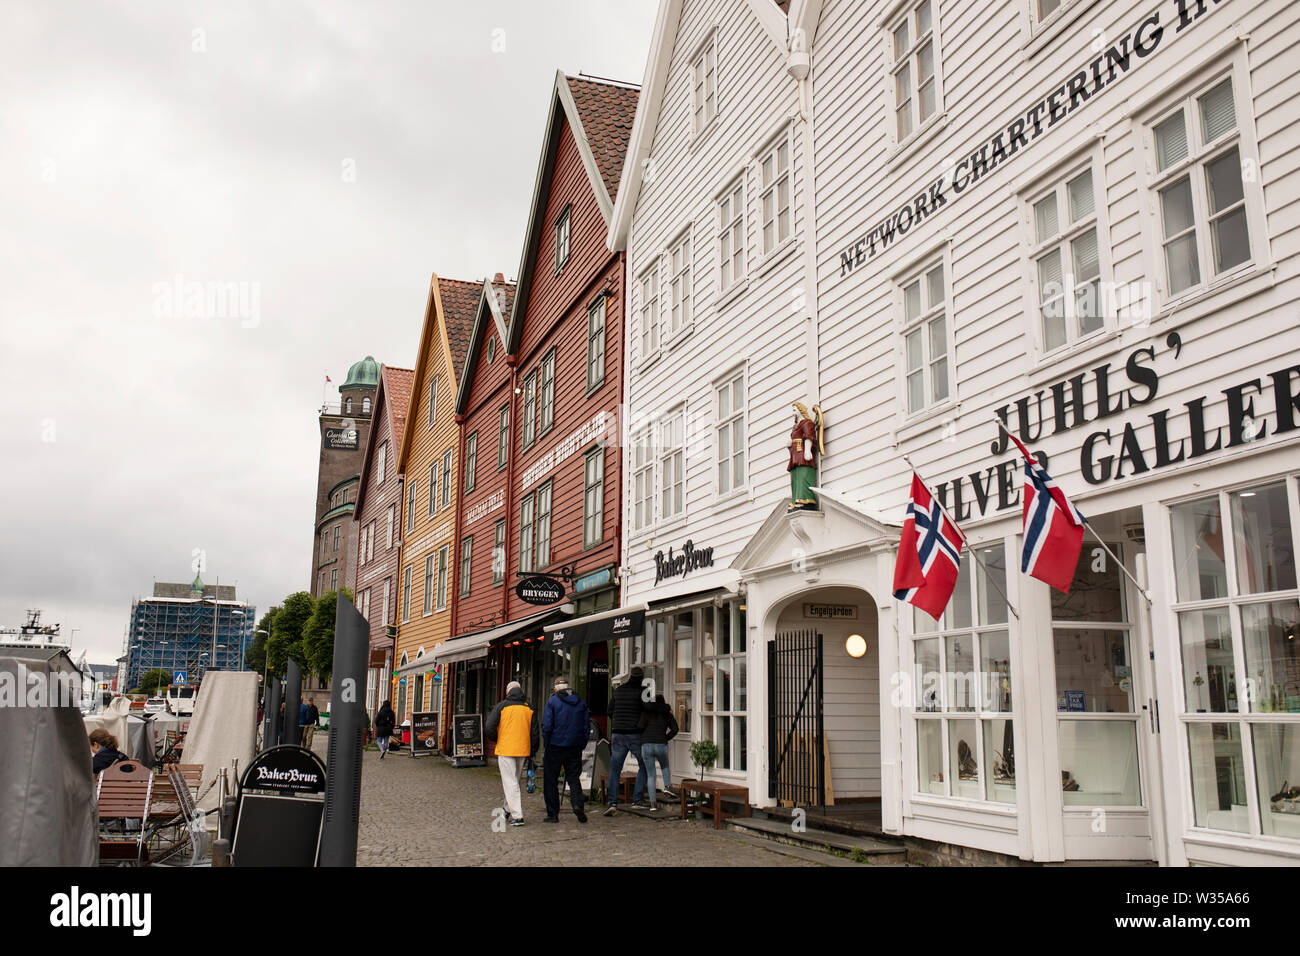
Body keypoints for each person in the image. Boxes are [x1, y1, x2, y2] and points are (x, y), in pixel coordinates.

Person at [485, 681, 538, 827]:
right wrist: (533, 751)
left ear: (508, 692)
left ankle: (518, 816)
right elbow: (534, 733)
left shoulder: (501, 706)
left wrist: (497, 739)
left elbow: (489, 727)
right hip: (523, 749)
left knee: (510, 782)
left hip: (506, 749)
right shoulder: (529, 708)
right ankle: (506, 810)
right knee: (514, 781)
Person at [540, 676, 589, 824]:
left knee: (551, 780)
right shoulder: (580, 702)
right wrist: (582, 743)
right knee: (574, 778)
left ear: (556, 688)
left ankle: (553, 814)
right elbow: (586, 726)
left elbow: (547, 725)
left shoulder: (553, 701)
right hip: (574, 746)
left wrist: (547, 743)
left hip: (555, 745)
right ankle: (577, 804)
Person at [604, 666, 652, 815]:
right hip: (634, 734)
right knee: (644, 765)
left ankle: (612, 802)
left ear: (631, 676)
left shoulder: (619, 690)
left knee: (615, 768)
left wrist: (618, 721)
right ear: (642, 677)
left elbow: (609, 711)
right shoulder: (644, 691)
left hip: (617, 733)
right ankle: (637, 799)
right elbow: (649, 709)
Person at [637, 694, 679, 810]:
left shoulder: (646, 712)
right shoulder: (667, 713)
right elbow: (675, 729)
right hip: (661, 743)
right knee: (665, 766)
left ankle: (652, 804)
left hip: (646, 744)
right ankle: (667, 786)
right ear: (664, 702)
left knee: (651, 775)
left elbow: (639, 727)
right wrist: (666, 737)